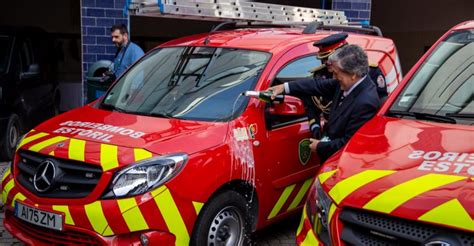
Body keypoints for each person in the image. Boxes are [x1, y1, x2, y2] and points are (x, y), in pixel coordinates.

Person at [269, 44, 381, 162]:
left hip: (342, 164)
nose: (333, 77)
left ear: (353, 74)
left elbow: (349, 143)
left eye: (336, 74)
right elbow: (317, 85)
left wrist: (319, 146)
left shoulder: (365, 102)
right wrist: (284, 87)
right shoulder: (348, 82)